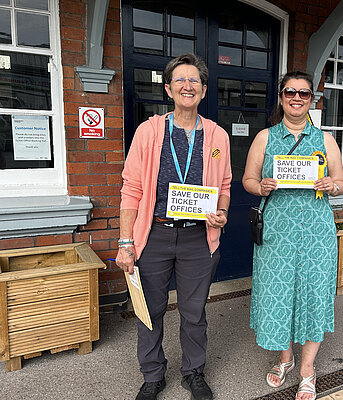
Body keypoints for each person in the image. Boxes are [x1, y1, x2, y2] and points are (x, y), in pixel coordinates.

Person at [117, 53, 232, 400]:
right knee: (149, 310)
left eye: (194, 80)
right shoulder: (149, 131)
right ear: (168, 88)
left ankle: (193, 372)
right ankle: (153, 375)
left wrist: (222, 213)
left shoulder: (217, 135)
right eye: (180, 80)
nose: (187, 85)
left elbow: (224, 186)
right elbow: (132, 188)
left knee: (194, 312)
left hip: (198, 237)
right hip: (154, 234)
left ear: (203, 89)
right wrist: (126, 242)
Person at [242, 71, 343, 400]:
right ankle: (285, 359)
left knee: (314, 294)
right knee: (278, 293)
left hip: (317, 231)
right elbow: (247, 179)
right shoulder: (265, 138)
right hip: (277, 232)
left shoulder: (326, 140)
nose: (297, 98)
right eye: (291, 92)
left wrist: (333, 185)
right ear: (282, 97)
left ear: (312, 100)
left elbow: (342, 183)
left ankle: (307, 369)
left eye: (304, 93)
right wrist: (260, 186)